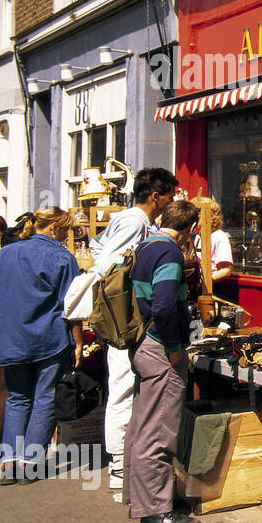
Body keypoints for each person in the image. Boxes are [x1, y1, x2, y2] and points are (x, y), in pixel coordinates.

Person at [88, 167, 179, 493]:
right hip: (127, 319)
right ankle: (118, 468)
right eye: (170, 195)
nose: (172, 201)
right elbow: (105, 263)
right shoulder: (134, 221)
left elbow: (96, 246)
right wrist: (135, 280)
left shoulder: (128, 218)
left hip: (127, 317)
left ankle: (122, 465)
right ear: (157, 196)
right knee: (125, 391)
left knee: (126, 390)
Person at [125, 198, 203, 523]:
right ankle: (155, 511)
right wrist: (174, 348)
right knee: (159, 430)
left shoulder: (145, 245)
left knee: (142, 425)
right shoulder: (170, 252)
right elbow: (166, 305)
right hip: (160, 346)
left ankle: (141, 498)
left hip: (144, 342)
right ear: (190, 229)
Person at [0, 208, 83, 484]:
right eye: (65, 230)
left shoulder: (5, 254)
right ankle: (30, 463)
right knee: (45, 397)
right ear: (55, 228)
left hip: (11, 338)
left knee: (18, 397)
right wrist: (78, 342)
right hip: (49, 338)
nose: (66, 235)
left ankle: (9, 464)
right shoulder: (62, 257)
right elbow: (72, 306)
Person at [190, 197, 234, 284]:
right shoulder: (198, 235)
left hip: (210, 287)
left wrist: (202, 283)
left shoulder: (219, 236)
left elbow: (226, 270)